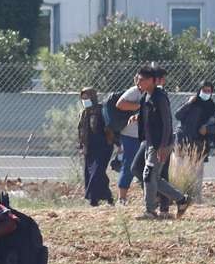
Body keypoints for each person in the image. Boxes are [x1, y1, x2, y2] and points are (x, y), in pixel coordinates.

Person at [138, 67, 190, 219]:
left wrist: (163, 146)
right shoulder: (146, 96)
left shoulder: (159, 97)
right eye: (139, 79)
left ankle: (150, 211)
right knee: (153, 177)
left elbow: (167, 122)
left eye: (143, 79)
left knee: (148, 175)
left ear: (153, 81)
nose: (139, 82)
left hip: (160, 144)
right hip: (150, 143)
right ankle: (182, 200)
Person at [173, 82, 215, 200]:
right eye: (204, 90)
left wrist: (207, 129)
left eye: (208, 91)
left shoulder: (212, 106)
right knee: (179, 168)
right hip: (183, 138)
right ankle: (178, 196)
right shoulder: (191, 102)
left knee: (197, 171)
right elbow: (178, 115)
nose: (206, 93)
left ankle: (196, 197)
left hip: (200, 142)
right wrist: (189, 103)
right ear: (199, 90)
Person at [77, 88, 114, 206]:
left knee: (97, 172)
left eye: (86, 98)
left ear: (92, 97)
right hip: (89, 147)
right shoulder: (84, 113)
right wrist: (81, 146)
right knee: (94, 173)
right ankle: (108, 197)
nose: (84, 100)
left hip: (103, 145)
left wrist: (115, 143)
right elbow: (81, 131)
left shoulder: (102, 110)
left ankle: (93, 199)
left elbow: (109, 127)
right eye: (83, 98)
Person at [114, 74, 144, 205]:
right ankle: (122, 198)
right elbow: (120, 104)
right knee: (129, 165)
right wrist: (139, 106)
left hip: (143, 135)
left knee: (145, 166)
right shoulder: (134, 91)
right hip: (131, 134)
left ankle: (150, 197)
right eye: (139, 78)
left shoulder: (151, 92)